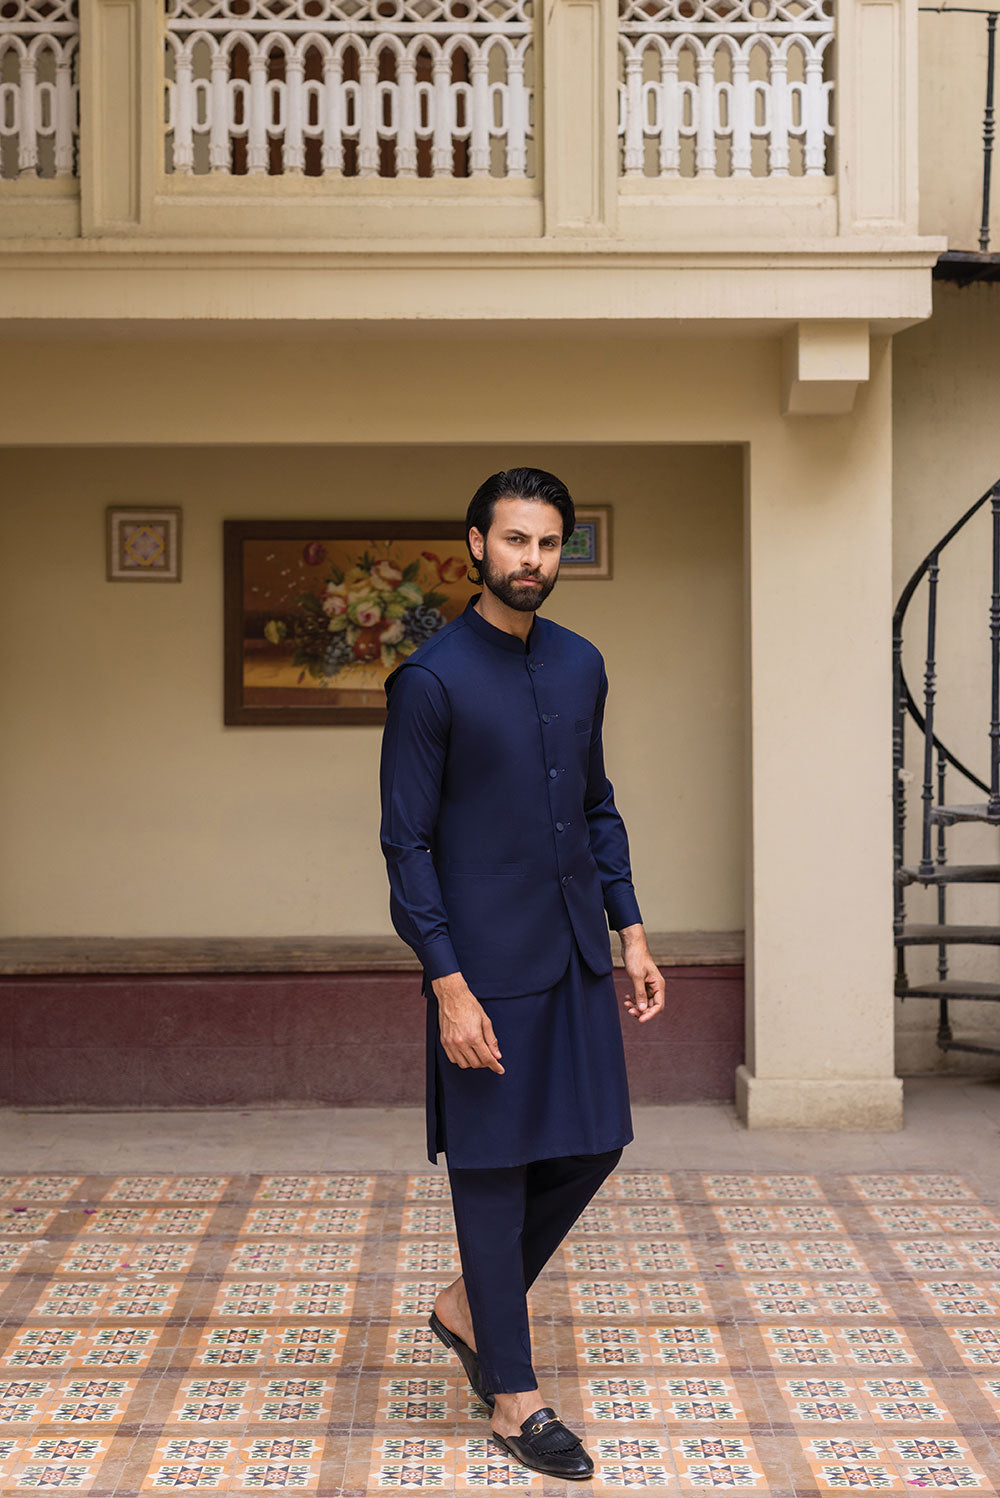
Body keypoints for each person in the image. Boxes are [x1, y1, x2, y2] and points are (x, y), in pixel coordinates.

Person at [378, 467, 665, 1480]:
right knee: (492, 1179)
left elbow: (597, 805)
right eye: (513, 542)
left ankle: (466, 1305)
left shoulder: (583, 664)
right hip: (484, 969)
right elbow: (404, 845)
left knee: (593, 1144)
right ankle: (514, 1397)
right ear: (475, 545)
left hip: (577, 952)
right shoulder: (430, 681)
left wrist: (628, 926)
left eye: (547, 545)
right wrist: (446, 983)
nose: (530, 561)